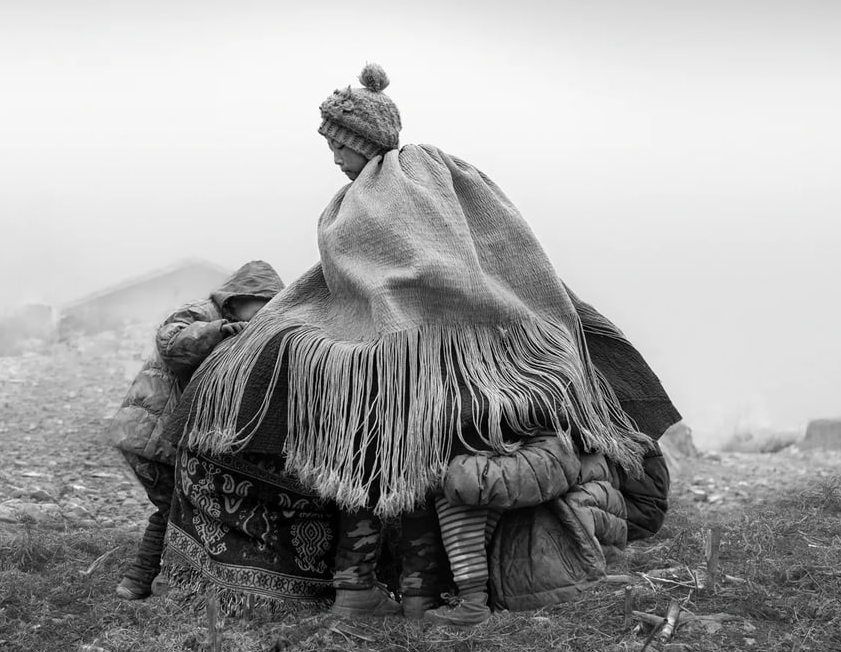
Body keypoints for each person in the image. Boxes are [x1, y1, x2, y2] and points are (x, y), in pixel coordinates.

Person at [173, 65, 679, 619]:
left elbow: (432, 261)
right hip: (409, 360)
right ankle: (409, 595)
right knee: (411, 474)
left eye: (339, 145)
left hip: (399, 359)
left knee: (380, 474)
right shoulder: (395, 187)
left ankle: (373, 593)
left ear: (362, 140)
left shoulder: (393, 187)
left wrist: (378, 325)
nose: (334, 158)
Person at [109, 260, 284, 599]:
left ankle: (147, 580)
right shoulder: (201, 313)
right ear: (239, 297)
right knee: (177, 509)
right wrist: (218, 330)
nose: (262, 318)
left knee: (177, 506)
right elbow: (170, 342)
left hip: (161, 436)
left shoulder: (240, 326)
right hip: (150, 435)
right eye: (260, 309)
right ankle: (142, 580)